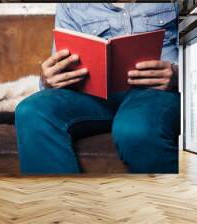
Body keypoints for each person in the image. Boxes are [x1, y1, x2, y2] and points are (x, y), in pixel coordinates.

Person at [15, 3, 180, 174]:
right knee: (32, 111)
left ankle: (168, 199)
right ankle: (62, 199)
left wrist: (177, 75)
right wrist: (48, 80)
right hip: (93, 96)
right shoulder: (69, 5)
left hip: (155, 92)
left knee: (135, 128)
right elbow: (59, 66)